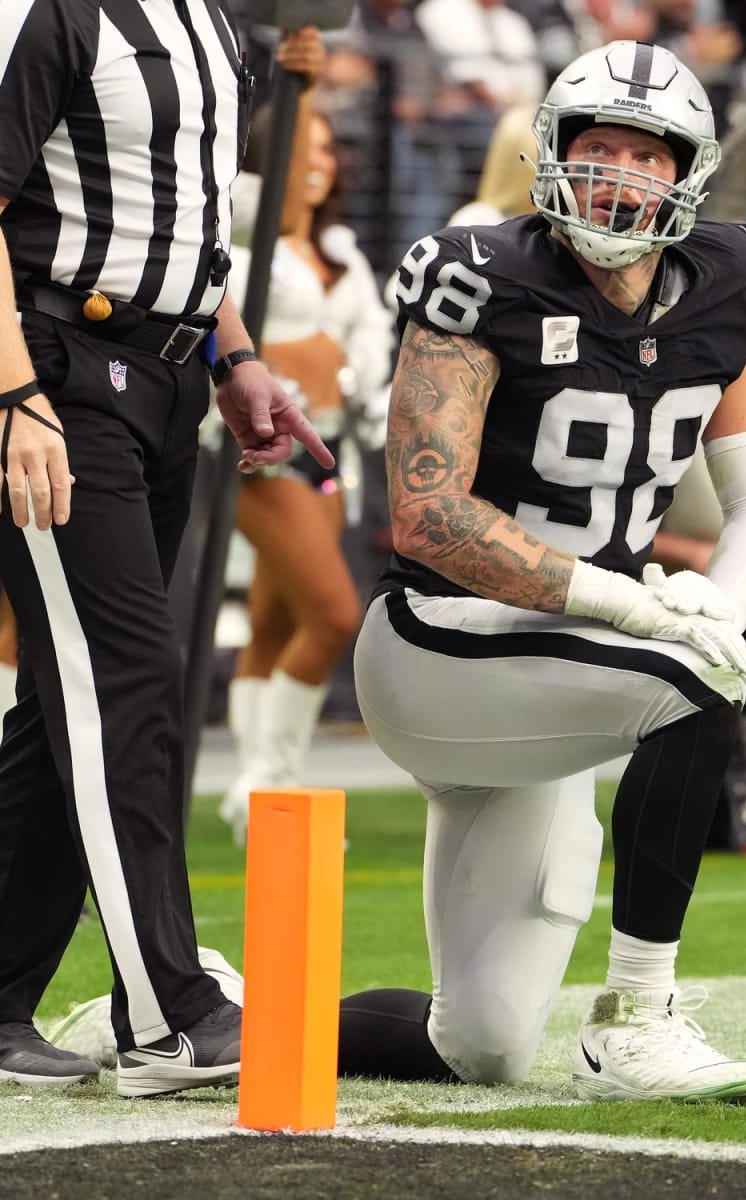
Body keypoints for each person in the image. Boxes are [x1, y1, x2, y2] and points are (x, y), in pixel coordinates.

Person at [337, 41, 746, 1101]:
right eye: (598, 147)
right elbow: (431, 514)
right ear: (552, 152)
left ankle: (240, 1015)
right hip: (439, 647)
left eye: (647, 153)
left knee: (481, 1047)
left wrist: (710, 609)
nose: (619, 173)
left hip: (566, 671)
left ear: (687, 173)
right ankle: (635, 1019)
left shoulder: (730, 279)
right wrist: (639, 610)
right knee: (695, 688)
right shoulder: (479, 273)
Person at [0, 8, 332, 1095]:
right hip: (57, 360)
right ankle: (168, 1013)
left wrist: (237, 362)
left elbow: (185, 223)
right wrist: (15, 397)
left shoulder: (212, 22)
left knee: (72, 703)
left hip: (167, 372)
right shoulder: (46, 11)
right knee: (126, 683)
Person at [218, 100, 395, 845]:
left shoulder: (345, 253)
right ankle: (272, 780)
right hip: (262, 451)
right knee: (333, 615)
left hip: (333, 452)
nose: (319, 162)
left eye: (328, 149)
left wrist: (347, 377)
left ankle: (249, 791)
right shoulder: (238, 232)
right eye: (301, 147)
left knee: (275, 620)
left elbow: (373, 354)